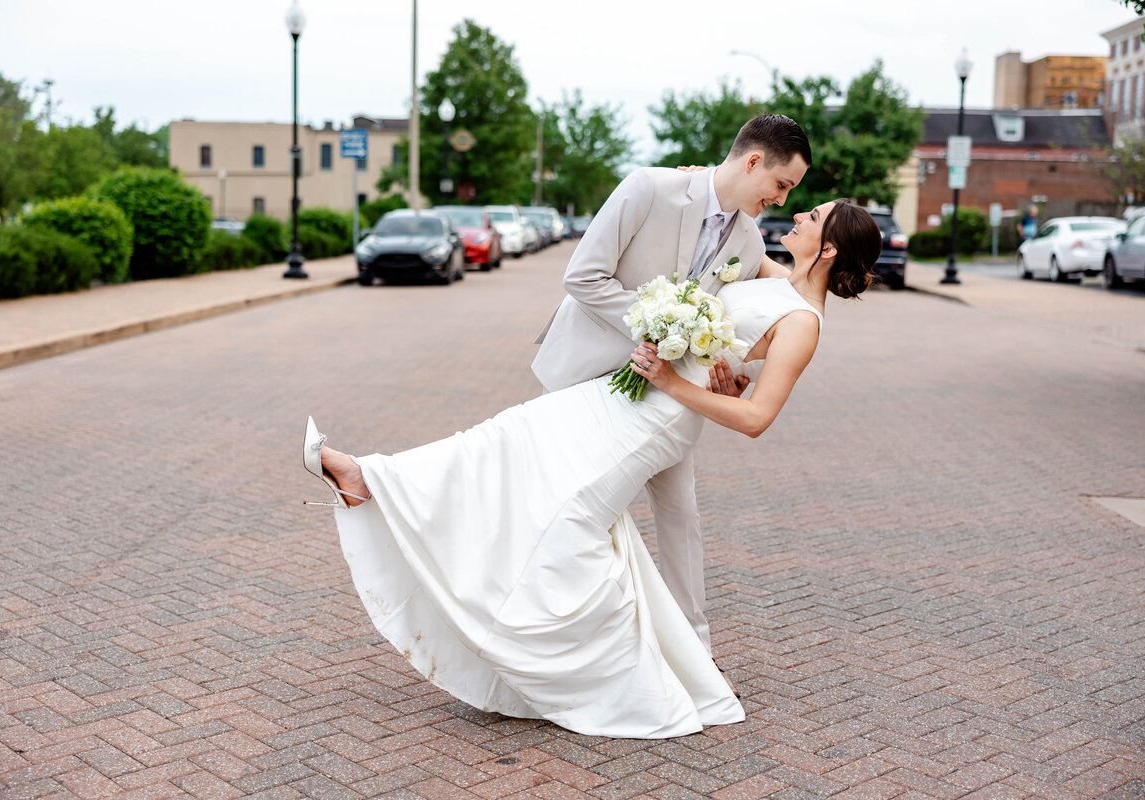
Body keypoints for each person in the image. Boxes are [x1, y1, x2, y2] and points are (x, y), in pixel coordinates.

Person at [304, 198, 882, 739]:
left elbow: (756, 417)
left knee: (569, 518)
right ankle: (370, 478)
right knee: (509, 435)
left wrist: (679, 381)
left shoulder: (804, 323)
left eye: (813, 215)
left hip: (659, 418)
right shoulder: (775, 277)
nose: (799, 215)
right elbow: (724, 306)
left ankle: (575, 668)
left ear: (828, 249)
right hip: (622, 392)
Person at [532, 114, 811, 668]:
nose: (781, 200)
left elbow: (781, 300)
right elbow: (583, 277)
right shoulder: (648, 187)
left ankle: (694, 657)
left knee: (681, 515)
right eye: (781, 185)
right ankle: (550, 640)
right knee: (560, 504)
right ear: (753, 161)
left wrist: (729, 369)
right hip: (584, 375)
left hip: (666, 393)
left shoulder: (749, 239)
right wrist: (661, 326)